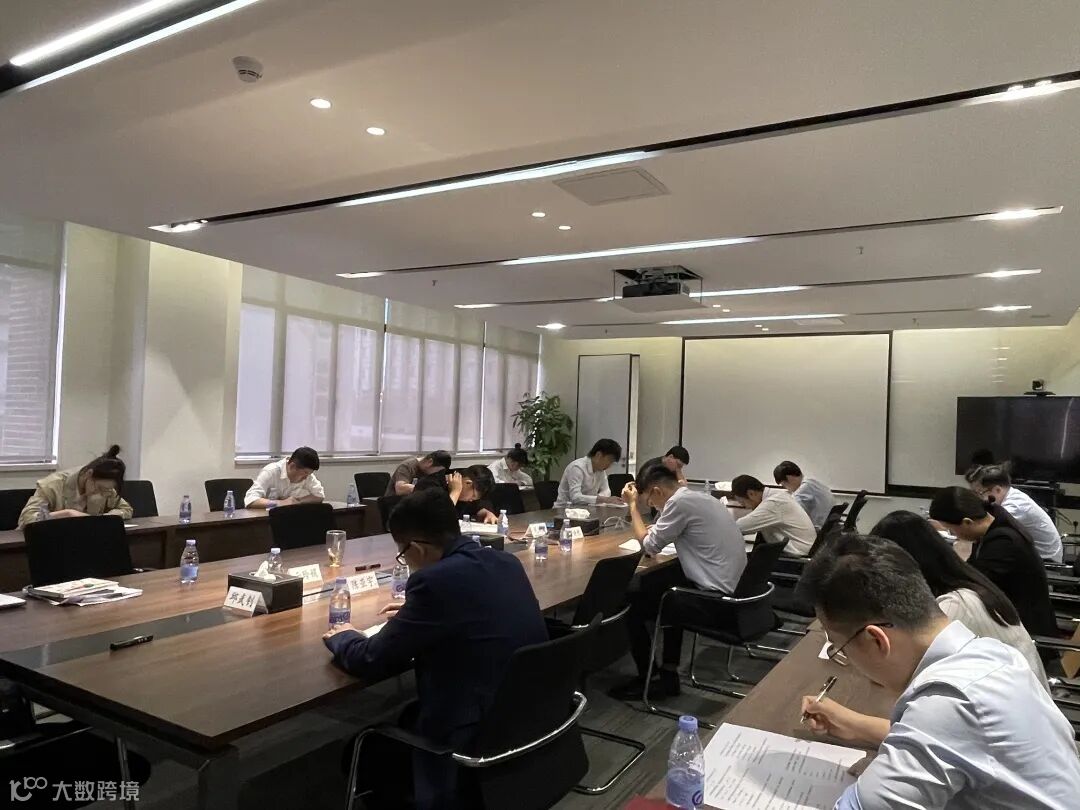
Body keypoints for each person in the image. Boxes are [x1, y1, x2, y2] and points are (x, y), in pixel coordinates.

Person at [797, 535, 1080, 810]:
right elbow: (953, 741)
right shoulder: (992, 654)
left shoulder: (949, 702)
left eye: (840, 647)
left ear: (876, 640)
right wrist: (854, 724)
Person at [323, 488, 547, 809]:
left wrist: (343, 634)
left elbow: (371, 658)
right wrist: (416, 612)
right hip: (526, 714)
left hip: (472, 734)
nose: (405, 561)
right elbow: (465, 605)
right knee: (407, 713)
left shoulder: (434, 583)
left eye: (403, 554)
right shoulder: (506, 562)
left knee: (360, 753)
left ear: (416, 547)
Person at [609, 464, 747, 699]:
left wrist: (633, 506)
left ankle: (649, 677)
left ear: (657, 491)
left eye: (650, 502)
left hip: (716, 602)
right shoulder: (700, 498)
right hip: (736, 593)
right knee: (660, 584)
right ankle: (668, 672)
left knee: (629, 605)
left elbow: (649, 547)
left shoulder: (678, 503)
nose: (654, 507)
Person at [870, 511, 1048, 688]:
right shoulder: (967, 584)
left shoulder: (955, 605)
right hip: (1009, 692)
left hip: (1013, 698)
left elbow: (907, 672)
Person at [929, 486, 1057, 639]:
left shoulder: (1003, 543)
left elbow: (973, 585)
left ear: (967, 522)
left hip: (1025, 629)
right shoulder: (993, 527)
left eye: (951, 530)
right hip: (1007, 618)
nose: (955, 535)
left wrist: (958, 558)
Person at [17, 445, 133, 528]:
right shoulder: (52, 485)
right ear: (89, 474)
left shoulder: (106, 489)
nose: (102, 494)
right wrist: (66, 514)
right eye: (99, 488)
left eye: (106, 490)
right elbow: (28, 518)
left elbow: (126, 510)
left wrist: (104, 519)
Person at [968, 464, 1063, 562]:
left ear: (997, 490)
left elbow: (986, 529)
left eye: (980, 493)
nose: (978, 498)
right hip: (1034, 556)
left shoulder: (1015, 506)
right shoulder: (1010, 495)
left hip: (1047, 561)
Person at [729, 474, 817, 556]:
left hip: (799, 559)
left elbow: (739, 527)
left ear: (751, 493)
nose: (746, 507)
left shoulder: (774, 503)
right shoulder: (778, 496)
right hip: (806, 553)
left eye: (743, 502)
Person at [244, 446, 325, 509]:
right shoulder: (271, 471)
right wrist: (280, 503)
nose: (306, 477)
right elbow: (251, 500)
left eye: (309, 474)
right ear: (292, 466)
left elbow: (319, 496)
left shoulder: (308, 476)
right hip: (266, 518)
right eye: (305, 473)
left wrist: (298, 501)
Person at [554, 438, 625, 507]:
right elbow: (575, 497)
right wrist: (603, 499)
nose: (609, 465)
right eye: (609, 460)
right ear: (598, 455)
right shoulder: (577, 467)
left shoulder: (600, 470)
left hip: (587, 509)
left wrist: (600, 499)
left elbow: (606, 490)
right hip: (564, 509)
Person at [772, 460, 836, 529]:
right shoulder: (812, 481)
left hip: (818, 530)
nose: (787, 489)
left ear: (789, 478)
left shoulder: (805, 488)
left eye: (784, 485)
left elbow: (790, 510)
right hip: (830, 528)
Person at [386, 451, 452, 496]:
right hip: (394, 504)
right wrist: (429, 489)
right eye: (438, 471)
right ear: (430, 462)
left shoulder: (430, 471)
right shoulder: (407, 466)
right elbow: (400, 489)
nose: (437, 474)